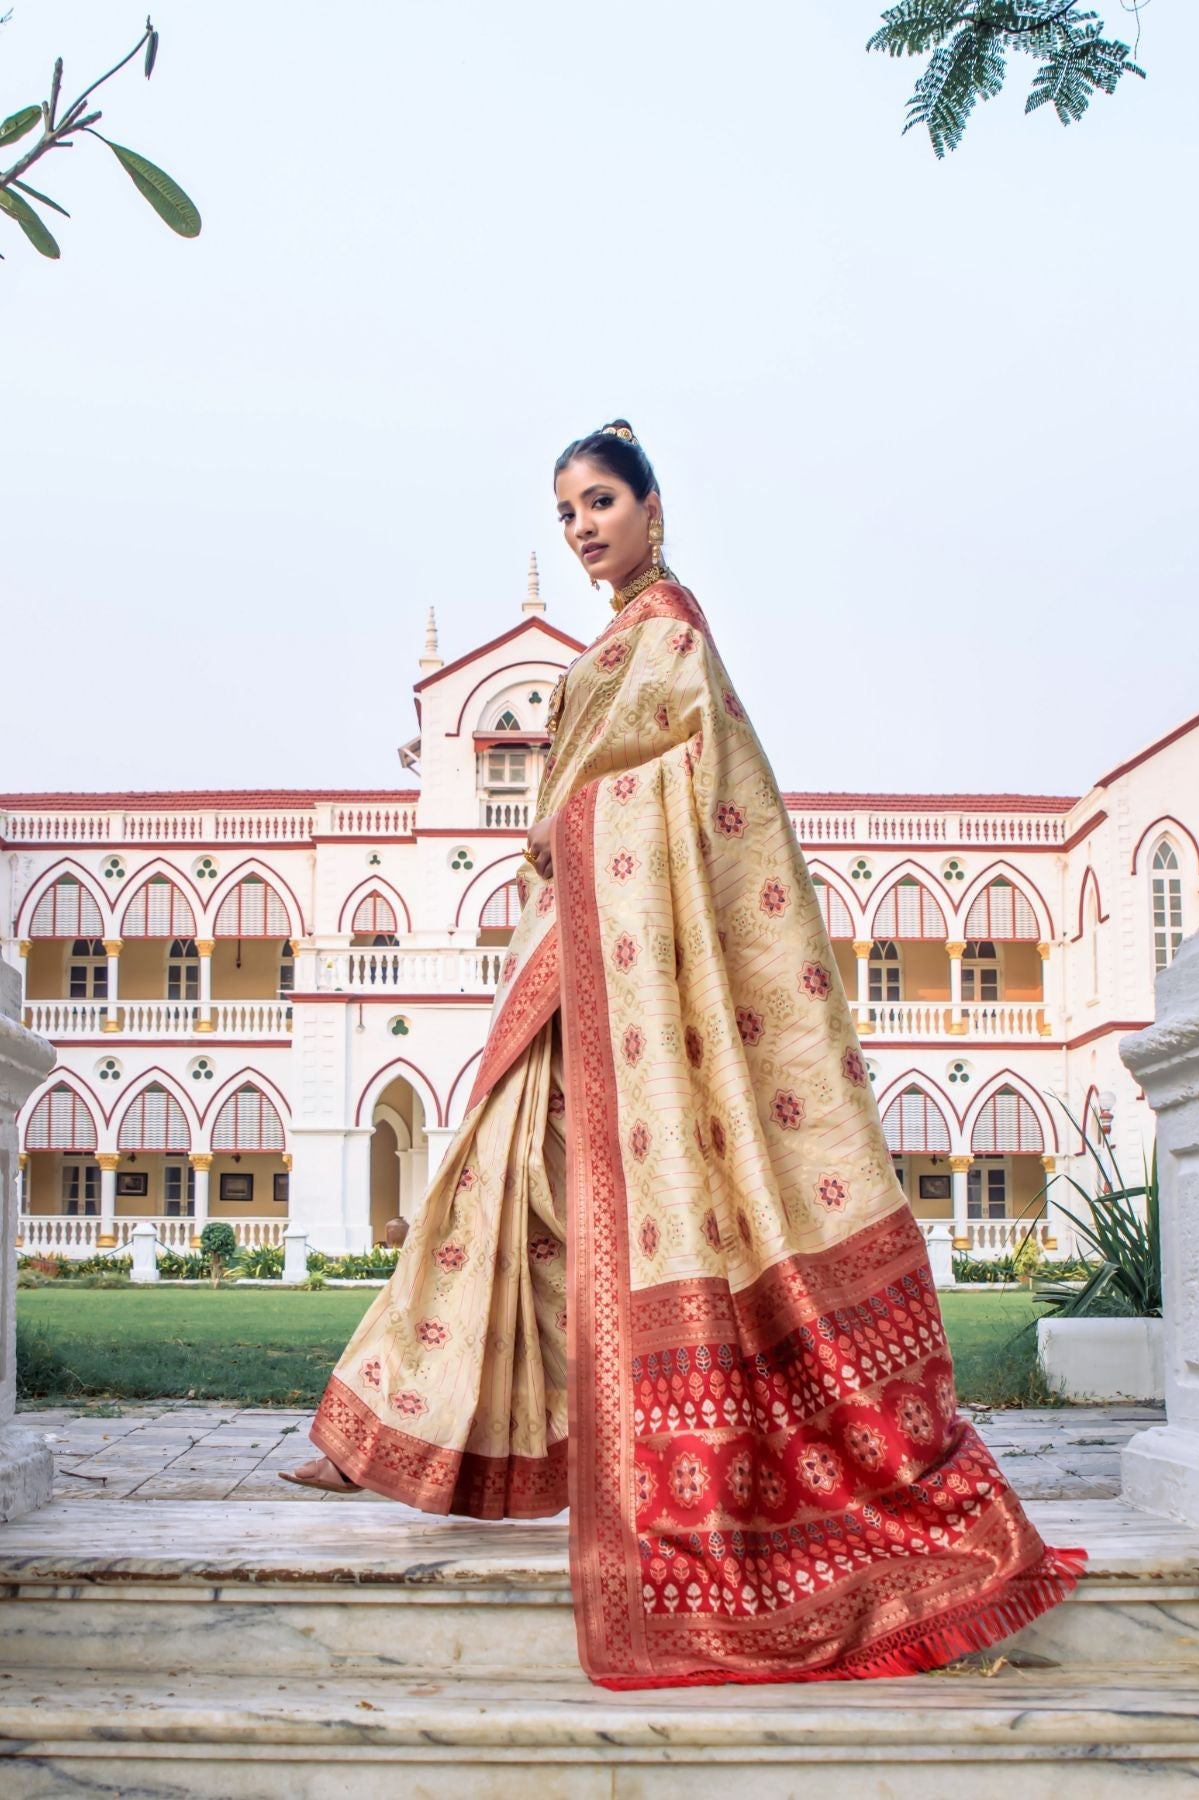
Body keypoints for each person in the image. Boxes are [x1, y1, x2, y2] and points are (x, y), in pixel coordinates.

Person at [285, 420, 1084, 1688]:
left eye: (600, 501)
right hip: (577, 964)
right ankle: (391, 1425)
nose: (583, 525)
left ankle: (526, 1442)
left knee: (536, 1186)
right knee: (494, 1171)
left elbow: (718, 806)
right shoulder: (610, 648)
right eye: (565, 511)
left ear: (654, 508)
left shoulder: (670, 636)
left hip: (634, 977)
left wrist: (568, 821)